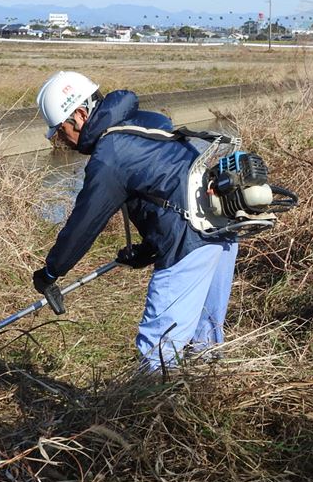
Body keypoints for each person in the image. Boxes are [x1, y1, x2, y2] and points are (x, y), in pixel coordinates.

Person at [32, 71, 239, 372]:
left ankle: (147, 416)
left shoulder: (110, 153)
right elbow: (164, 184)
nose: (62, 140)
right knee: (204, 336)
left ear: (79, 114)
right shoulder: (145, 122)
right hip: (221, 229)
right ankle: (203, 399)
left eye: (61, 130)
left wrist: (51, 271)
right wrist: (151, 246)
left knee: (159, 349)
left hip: (189, 243)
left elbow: (84, 224)